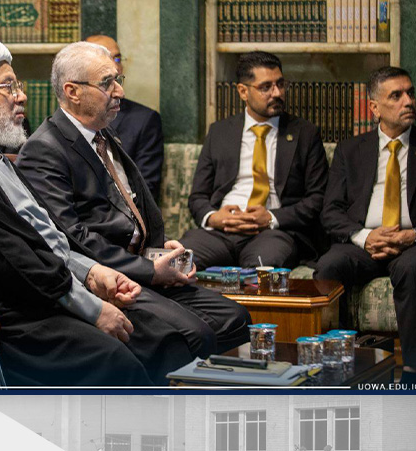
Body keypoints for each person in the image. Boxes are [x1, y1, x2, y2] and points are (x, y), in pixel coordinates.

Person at [0, 31, 193, 386]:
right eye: (8, 87)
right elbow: (12, 259)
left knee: (162, 337)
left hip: (34, 299)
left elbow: (43, 237)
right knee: (121, 357)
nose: (21, 96)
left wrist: (91, 272)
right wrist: (92, 308)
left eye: (17, 86)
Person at [17, 42, 251, 358]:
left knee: (236, 318)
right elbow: (73, 238)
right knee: (194, 335)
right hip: (107, 281)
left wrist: (160, 250)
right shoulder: (44, 149)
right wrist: (150, 270)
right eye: (106, 83)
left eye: (118, 80)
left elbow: (131, 206)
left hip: (139, 265)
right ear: (73, 92)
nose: (120, 92)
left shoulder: (103, 134)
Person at [314, 66, 416, 384]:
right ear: (374, 107)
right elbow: (331, 211)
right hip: (366, 243)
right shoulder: (350, 150)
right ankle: (336, 363)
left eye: (410, 93)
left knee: (411, 267)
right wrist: (365, 237)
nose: (408, 101)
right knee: (330, 265)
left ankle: (414, 372)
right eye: (396, 96)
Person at [180, 51, 329, 269]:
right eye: (266, 87)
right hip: (221, 232)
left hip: (273, 233)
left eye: (280, 84)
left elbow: (317, 198)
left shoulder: (305, 134)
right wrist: (213, 217)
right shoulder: (220, 132)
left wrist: (270, 217)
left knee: (261, 268)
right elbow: (198, 196)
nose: (277, 93)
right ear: (243, 91)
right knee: (178, 262)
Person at [84, 35, 164, 201]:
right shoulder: (66, 121)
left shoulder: (144, 121)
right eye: (106, 59)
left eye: (118, 58)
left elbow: (146, 190)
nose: (115, 66)